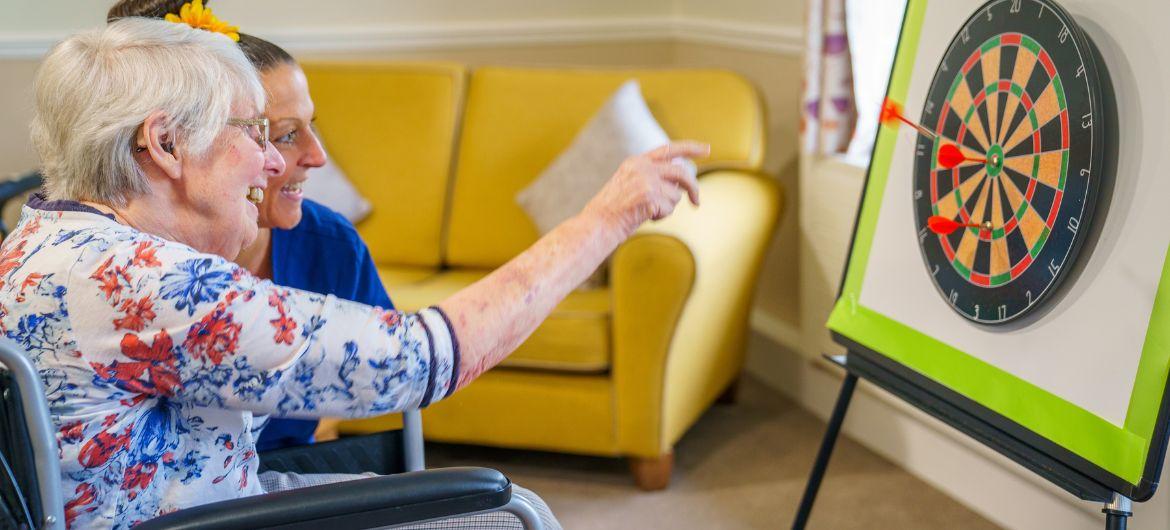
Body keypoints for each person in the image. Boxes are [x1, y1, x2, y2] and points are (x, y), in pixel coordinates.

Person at [6, 14, 705, 530]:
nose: (274, 161)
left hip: (174, 505)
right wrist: (606, 218)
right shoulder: (163, 289)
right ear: (164, 144)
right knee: (511, 514)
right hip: (195, 523)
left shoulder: (36, 237)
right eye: (252, 132)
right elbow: (428, 358)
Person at [109, 0, 396, 452]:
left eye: (310, 127)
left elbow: (395, 368)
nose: (316, 155)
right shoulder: (119, 265)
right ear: (177, 143)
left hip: (284, 486)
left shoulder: (331, 245)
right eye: (280, 133)